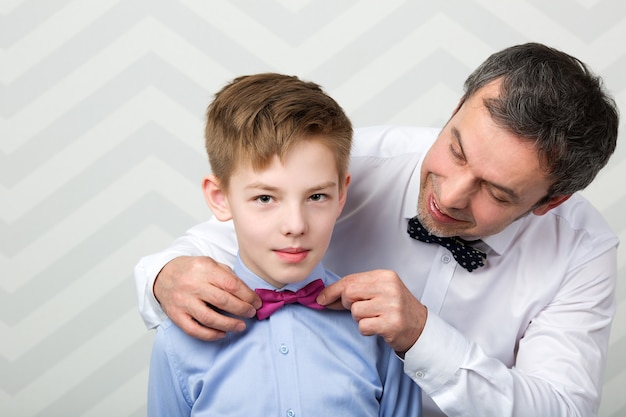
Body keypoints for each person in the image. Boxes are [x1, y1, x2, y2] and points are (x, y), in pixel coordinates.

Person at [135, 43, 620, 416]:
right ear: (456, 109)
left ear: (550, 201)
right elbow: (224, 236)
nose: (449, 196)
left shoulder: (581, 249)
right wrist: (164, 276)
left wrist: (424, 335)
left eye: (496, 192)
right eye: (456, 150)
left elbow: (562, 409)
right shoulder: (349, 166)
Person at [146, 73, 422, 416]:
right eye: (265, 198)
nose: (295, 226)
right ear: (220, 198)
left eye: (317, 196)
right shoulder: (180, 340)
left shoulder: (379, 332)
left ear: (341, 196)